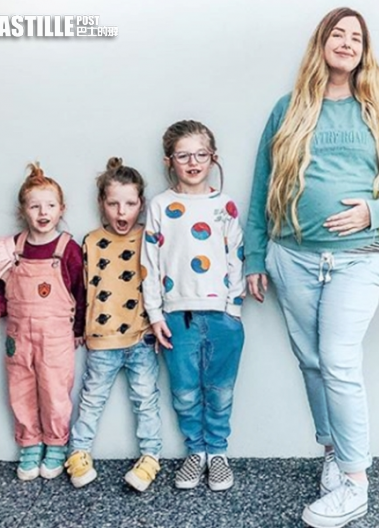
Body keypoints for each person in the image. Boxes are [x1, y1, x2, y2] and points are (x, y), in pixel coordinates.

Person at [244, 7, 379, 527]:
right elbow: (261, 186)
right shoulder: (288, 109)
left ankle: (355, 483)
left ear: (365, 52)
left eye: (356, 37)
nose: (346, 43)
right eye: (337, 34)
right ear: (321, 44)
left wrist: (375, 212)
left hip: (359, 257)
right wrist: (255, 255)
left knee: (338, 361)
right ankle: (332, 451)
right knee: (312, 362)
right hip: (291, 255)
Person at [141, 120, 245, 492]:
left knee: (220, 390)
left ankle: (217, 452)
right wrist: (155, 314)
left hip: (221, 316)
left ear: (213, 158)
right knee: (184, 391)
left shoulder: (224, 205)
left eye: (201, 154)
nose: (193, 162)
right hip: (175, 315)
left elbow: (236, 256)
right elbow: (149, 263)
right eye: (183, 155)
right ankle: (195, 451)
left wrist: (233, 309)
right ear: (169, 161)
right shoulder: (160, 206)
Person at [0, 163, 85, 480]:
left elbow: (80, 292)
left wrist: (79, 329)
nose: (43, 212)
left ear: (61, 209)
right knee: (21, 391)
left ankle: (55, 443)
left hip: (56, 337)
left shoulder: (68, 249)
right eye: (35, 206)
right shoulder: (12, 249)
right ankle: (29, 444)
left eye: (50, 205)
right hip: (19, 337)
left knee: (55, 392)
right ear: (23, 211)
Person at [65, 158, 162, 492]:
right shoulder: (90, 242)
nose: (122, 212)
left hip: (141, 338)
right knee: (91, 399)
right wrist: (78, 328)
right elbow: (80, 290)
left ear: (141, 204)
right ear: (101, 204)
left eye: (130, 204)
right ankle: (78, 452)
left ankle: (151, 456)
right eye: (114, 204)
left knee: (146, 399)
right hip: (101, 340)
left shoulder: (149, 238)